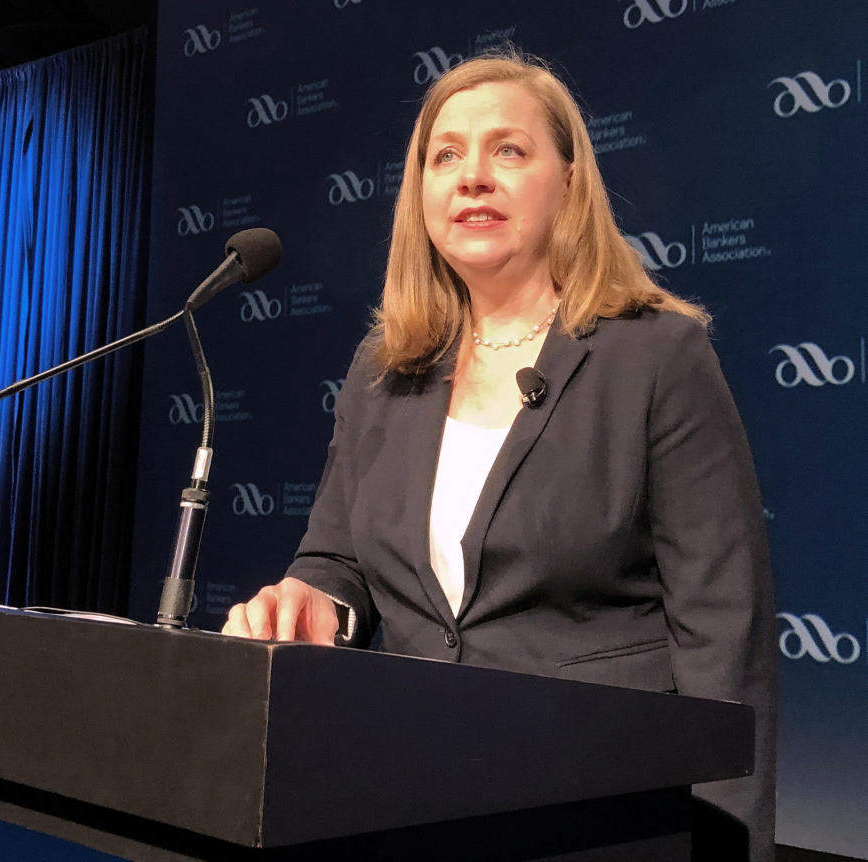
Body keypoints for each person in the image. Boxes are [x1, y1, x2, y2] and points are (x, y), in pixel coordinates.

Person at [222, 53, 776, 861]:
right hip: (407, 797)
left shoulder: (657, 355)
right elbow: (337, 555)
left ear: (571, 180)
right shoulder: (384, 372)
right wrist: (317, 601)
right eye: (445, 156)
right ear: (420, 194)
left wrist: (728, 843)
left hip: (605, 808)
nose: (473, 176)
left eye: (508, 151)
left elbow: (726, 632)